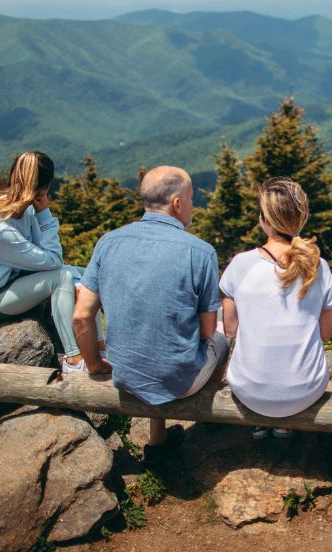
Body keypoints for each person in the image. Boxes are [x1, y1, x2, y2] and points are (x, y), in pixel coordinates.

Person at [72, 166, 229, 463]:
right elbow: (208, 332)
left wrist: (94, 364)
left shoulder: (109, 242)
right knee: (222, 340)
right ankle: (210, 418)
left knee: (153, 332)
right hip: (180, 381)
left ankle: (158, 440)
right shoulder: (201, 252)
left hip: (125, 375)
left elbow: (81, 316)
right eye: (192, 198)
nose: (193, 205)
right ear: (177, 204)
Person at [0, 151, 101, 371]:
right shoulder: (1, 230)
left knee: (86, 275)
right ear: (43, 188)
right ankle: (73, 360)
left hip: (12, 282)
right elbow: (53, 261)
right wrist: (45, 214)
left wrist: (79, 281)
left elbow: (44, 256)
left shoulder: (20, 209)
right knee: (62, 278)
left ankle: (100, 347)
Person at [219, 178, 332, 440]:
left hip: (250, 391)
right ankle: (286, 425)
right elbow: (325, 333)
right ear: (300, 220)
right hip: (306, 390)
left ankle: (260, 423)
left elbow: (230, 330)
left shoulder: (241, 265)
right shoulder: (318, 266)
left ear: (264, 220)